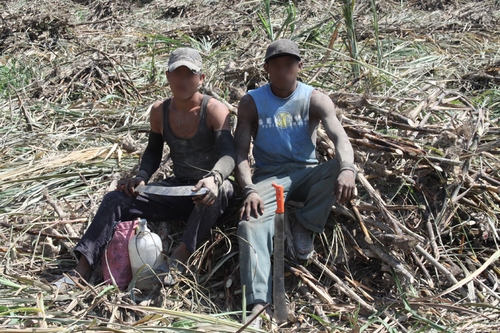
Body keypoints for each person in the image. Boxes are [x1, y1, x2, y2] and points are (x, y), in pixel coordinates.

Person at [54, 47, 235, 290]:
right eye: (177, 74)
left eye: (190, 74)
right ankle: (83, 267)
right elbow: (153, 152)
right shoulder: (160, 111)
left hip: (211, 190)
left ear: (201, 79)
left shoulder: (214, 110)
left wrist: (214, 178)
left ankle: (180, 256)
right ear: (168, 77)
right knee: (115, 199)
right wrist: (141, 176)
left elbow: (228, 154)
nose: (183, 81)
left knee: (222, 190)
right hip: (181, 189)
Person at [234, 39, 356, 325]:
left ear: (300, 66)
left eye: (289, 64)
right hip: (268, 176)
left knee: (342, 165)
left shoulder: (314, 98)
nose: (283, 70)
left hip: (306, 172)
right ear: (266, 68)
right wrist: (249, 188)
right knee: (249, 224)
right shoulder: (252, 101)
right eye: (276, 65)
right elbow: (239, 152)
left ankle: (306, 223)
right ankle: (257, 303)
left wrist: (348, 169)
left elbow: (340, 137)